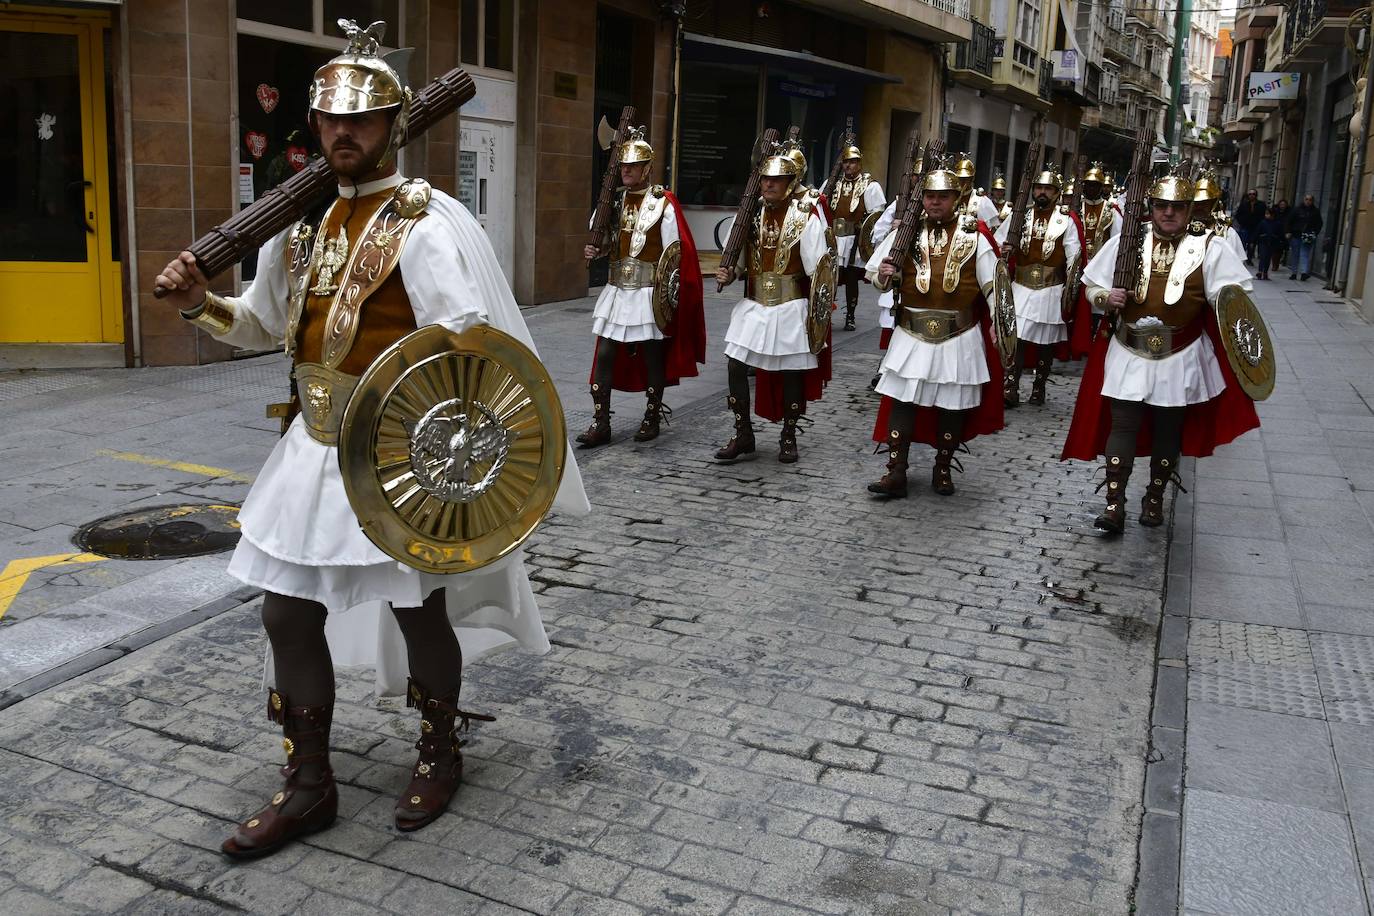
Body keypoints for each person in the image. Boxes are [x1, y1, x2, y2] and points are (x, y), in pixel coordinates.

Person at [154, 21, 590, 859]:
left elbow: (465, 349)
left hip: (399, 459)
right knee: (286, 613)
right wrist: (195, 300)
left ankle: (439, 751)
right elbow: (258, 326)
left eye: (359, 119)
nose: (341, 133)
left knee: (418, 608)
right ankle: (310, 783)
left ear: (395, 125)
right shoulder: (301, 225)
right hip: (311, 449)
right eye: (328, 120)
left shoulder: (425, 225)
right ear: (313, 127)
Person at [1063, 167, 1259, 532]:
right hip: (1129, 348)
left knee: (1169, 429)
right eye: (1161, 206)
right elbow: (1090, 287)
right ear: (1151, 207)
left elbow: (1235, 301)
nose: (1168, 213)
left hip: (1181, 353)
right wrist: (1107, 296)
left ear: (1189, 210)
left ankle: (1154, 498)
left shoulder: (1209, 247)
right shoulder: (1126, 243)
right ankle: (1113, 503)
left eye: (1177, 207)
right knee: (1123, 423)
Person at [864, 158, 1003, 497]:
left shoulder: (975, 234)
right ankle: (896, 471)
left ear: (957, 197)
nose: (935, 202)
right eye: (929, 196)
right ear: (922, 198)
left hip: (960, 334)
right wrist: (883, 273)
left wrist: (1000, 323)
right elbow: (874, 274)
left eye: (943, 196)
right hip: (911, 332)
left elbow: (995, 285)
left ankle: (943, 468)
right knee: (901, 399)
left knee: (952, 403)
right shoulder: (904, 234)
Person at [579, 127, 705, 447]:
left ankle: (651, 415)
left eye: (633, 166)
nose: (626, 170)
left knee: (651, 356)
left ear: (647, 168)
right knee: (605, 353)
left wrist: (668, 301)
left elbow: (674, 253)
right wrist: (596, 247)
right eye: (623, 165)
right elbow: (607, 240)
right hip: (618, 289)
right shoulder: (615, 200)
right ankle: (601, 421)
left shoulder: (663, 202)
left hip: (649, 291)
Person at [713, 138, 834, 463]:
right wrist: (729, 273)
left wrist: (817, 315)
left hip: (790, 305)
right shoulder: (748, 216)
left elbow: (819, 267)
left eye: (776, 180)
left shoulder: (804, 216)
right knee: (736, 366)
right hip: (753, 304)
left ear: (789, 182)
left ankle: (788, 436)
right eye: (765, 178)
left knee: (790, 371)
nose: (769, 184)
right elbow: (734, 259)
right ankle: (743, 434)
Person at [995, 170, 1085, 407]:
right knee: (1016, 338)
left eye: (1047, 189)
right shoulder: (1019, 217)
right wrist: (1003, 251)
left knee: (1046, 343)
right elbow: (997, 240)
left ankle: (1039, 387)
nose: (1041, 192)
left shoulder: (1066, 219)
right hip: (1021, 286)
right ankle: (1010, 387)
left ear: (1056, 193)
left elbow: (1073, 255)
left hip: (1050, 289)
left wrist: (1070, 293)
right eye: (1038, 188)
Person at [829, 142, 886, 331]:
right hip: (834, 239)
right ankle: (826, 313)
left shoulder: (869, 186)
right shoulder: (833, 183)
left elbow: (876, 216)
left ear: (859, 164)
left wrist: (865, 239)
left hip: (854, 240)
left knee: (852, 279)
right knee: (830, 278)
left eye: (852, 162)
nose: (848, 165)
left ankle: (850, 316)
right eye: (846, 162)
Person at [1079, 163, 1123, 265]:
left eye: (1095, 185)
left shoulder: (1111, 209)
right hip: (1079, 261)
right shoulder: (1077, 207)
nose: (1091, 188)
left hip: (1102, 262)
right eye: (1089, 185)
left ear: (1101, 187)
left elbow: (1117, 238)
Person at [1287, 194, 1323, 280]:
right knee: (1295, 254)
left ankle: (1303, 273)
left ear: (1312, 201)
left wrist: (1315, 233)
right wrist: (1288, 232)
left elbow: (1319, 223)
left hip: (1308, 236)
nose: (1308, 201)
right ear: (1304, 200)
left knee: (1304, 254)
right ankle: (1294, 273)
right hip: (1296, 234)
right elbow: (1289, 221)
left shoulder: (1315, 211)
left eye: (1310, 200)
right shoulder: (1296, 210)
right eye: (1306, 199)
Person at [1232, 188, 1265, 264]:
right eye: (1250, 194)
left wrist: (1260, 224)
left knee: (1252, 243)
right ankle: (1242, 257)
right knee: (1243, 242)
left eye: (1253, 194)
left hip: (1256, 227)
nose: (1251, 196)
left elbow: (1263, 215)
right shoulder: (1244, 204)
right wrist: (1242, 222)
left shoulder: (1261, 204)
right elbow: (1238, 214)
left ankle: (1249, 258)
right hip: (1245, 226)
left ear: (1256, 195)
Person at [1254, 207, 1284, 280]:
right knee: (1263, 257)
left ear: (1273, 215)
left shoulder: (1277, 223)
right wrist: (1254, 240)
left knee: (1268, 258)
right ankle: (1260, 271)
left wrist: (1278, 239)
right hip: (1263, 242)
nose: (1267, 215)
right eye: (1266, 214)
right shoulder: (1263, 222)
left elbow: (1280, 234)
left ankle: (1265, 273)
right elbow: (1257, 232)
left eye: (1268, 214)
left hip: (1272, 242)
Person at [1271, 198, 1291, 271]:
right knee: (1274, 249)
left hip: (1284, 232)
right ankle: (1274, 265)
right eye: (1281, 204)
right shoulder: (1276, 211)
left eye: (1284, 204)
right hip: (1276, 231)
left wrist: (1288, 232)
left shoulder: (1289, 212)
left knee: (1280, 250)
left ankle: (1277, 263)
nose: (1282, 206)